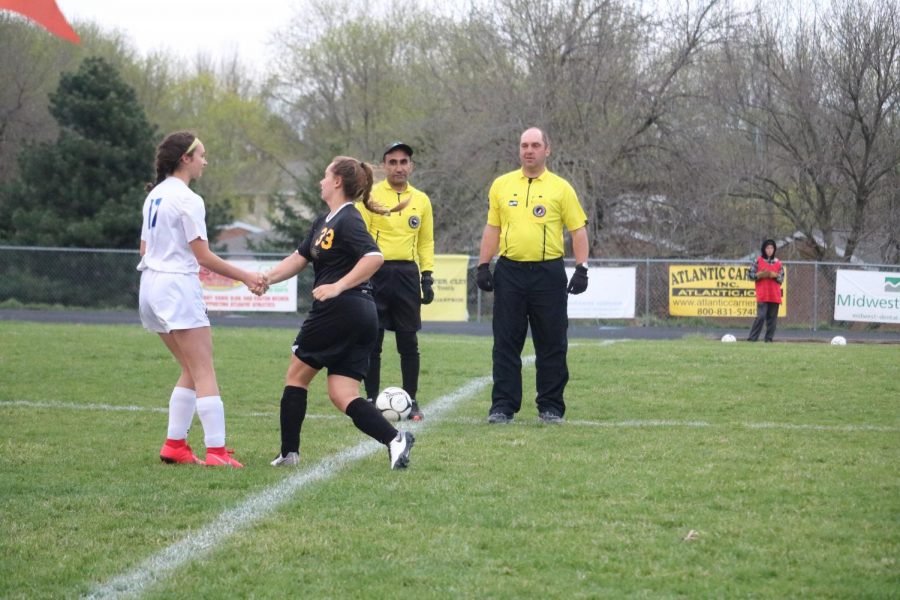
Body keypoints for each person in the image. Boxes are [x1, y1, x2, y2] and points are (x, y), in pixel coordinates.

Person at [263, 156, 415, 470]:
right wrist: (266, 279)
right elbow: (298, 258)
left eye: (324, 175)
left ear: (336, 182)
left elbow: (374, 257)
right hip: (361, 315)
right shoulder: (326, 220)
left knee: (296, 377)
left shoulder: (348, 218)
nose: (320, 181)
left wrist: (337, 287)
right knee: (342, 392)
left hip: (339, 309)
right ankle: (395, 439)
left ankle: (289, 453)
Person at [138, 131, 265, 468]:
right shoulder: (188, 199)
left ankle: (175, 445)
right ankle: (216, 452)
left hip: (149, 286)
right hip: (176, 287)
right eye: (202, 155)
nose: (205, 161)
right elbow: (204, 256)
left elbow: (144, 250)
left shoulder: (154, 196)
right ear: (186, 158)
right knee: (204, 368)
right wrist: (248, 276)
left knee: (191, 369)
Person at [476, 127, 590, 424]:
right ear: (519, 150)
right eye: (524, 145)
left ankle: (551, 406)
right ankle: (502, 406)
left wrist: (581, 268)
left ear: (547, 150)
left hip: (547, 272)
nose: (529, 150)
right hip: (510, 271)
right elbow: (493, 228)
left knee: (552, 342)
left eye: (535, 145)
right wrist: (483, 265)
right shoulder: (501, 185)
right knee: (505, 342)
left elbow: (578, 229)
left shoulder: (561, 188)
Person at [356, 141, 434, 421]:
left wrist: (427, 275)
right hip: (375, 272)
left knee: (408, 342)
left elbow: (425, 241)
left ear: (411, 166)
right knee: (372, 341)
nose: (398, 167)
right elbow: (360, 235)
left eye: (403, 162)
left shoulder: (421, 200)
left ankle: (411, 400)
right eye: (392, 162)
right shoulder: (370, 196)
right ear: (384, 166)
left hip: (407, 276)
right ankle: (370, 399)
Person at [747, 238, 784, 342]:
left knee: (772, 319)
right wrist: (759, 275)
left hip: (774, 295)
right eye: (767, 248)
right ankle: (752, 338)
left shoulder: (778, 263)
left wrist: (774, 275)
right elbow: (750, 275)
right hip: (762, 294)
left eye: (772, 248)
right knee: (761, 317)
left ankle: (768, 339)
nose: (769, 250)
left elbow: (781, 279)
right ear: (764, 249)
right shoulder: (758, 261)